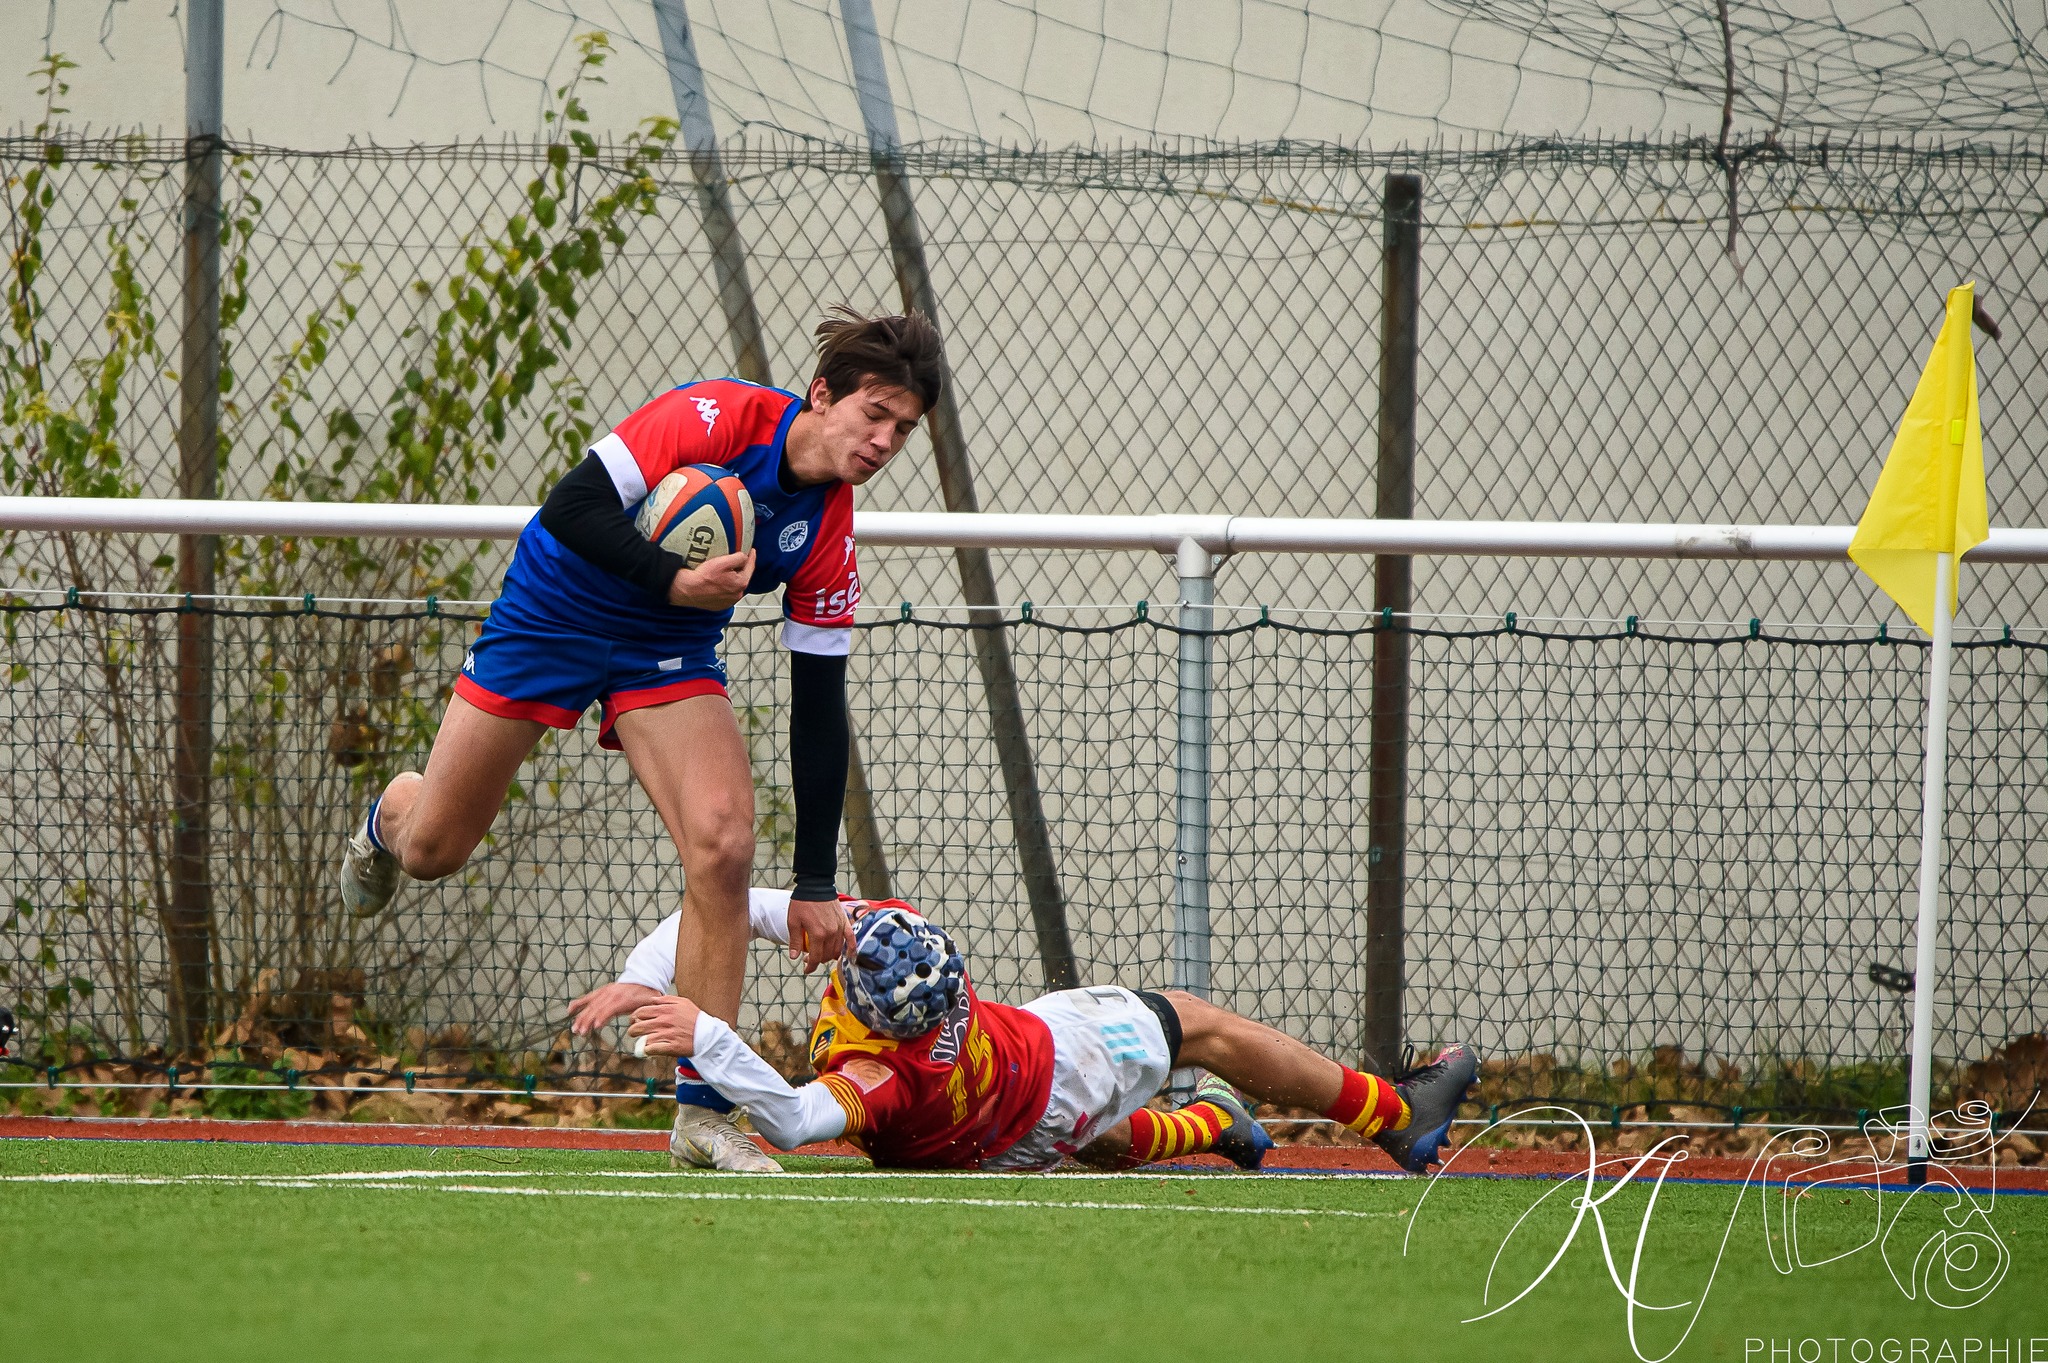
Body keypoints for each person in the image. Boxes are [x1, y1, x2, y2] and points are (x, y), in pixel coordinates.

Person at [340, 309, 945, 1172]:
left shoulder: (829, 534)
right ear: (823, 394)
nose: (885, 439)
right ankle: (394, 813)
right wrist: (673, 575)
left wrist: (815, 880)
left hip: (669, 646)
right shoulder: (715, 416)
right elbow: (573, 504)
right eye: (874, 414)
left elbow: (820, 707)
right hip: (554, 609)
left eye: (903, 429)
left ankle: (701, 1112)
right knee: (434, 849)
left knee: (726, 844)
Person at [575, 891, 1478, 1173]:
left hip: (988, 1146)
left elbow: (787, 1119)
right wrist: (655, 987)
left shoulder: (877, 1076)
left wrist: (703, 1028)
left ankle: (1219, 1126)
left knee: (1100, 1134)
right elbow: (724, 908)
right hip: (1047, 1066)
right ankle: (1395, 1114)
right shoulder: (894, 929)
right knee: (1197, 1022)